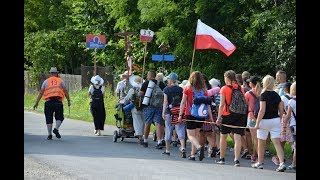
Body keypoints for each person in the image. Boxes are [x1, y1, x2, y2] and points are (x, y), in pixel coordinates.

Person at [251, 75, 286, 172]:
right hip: (275, 120)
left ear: (264, 83)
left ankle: (260, 162)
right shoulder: (277, 95)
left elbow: (262, 110)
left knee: (261, 142)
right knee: (277, 143)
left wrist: (257, 123)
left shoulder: (263, 95)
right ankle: (282, 163)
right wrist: (279, 119)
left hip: (264, 121)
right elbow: (281, 110)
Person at [178, 71, 214, 161]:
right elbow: (208, 105)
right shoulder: (204, 90)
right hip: (201, 115)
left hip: (190, 114)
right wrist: (211, 117)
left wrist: (180, 114)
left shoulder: (188, 88)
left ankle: (198, 147)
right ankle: (192, 155)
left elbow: (183, 102)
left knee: (190, 135)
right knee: (196, 134)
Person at [216, 70, 247, 167]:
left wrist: (219, 117)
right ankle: (236, 160)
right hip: (240, 115)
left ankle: (222, 158)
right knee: (237, 138)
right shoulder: (240, 88)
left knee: (223, 136)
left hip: (227, 114)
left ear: (227, 78)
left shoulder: (224, 89)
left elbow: (221, 105)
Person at [33, 67, 71, 140]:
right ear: (56, 73)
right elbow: (65, 91)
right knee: (60, 117)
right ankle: (56, 129)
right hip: (58, 102)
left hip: (48, 102)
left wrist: (36, 103)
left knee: (49, 118)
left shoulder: (46, 81)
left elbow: (41, 93)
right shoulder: (60, 81)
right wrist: (68, 100)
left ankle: (49, 135)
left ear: (50, 73)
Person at [161, 72, 186, 158]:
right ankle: (183, 147)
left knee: (168, 129)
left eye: (168, 79)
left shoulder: (166, 90)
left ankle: (167, 150)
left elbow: (165, 102)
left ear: (170, 80)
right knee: (180, 128)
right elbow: (183, 101)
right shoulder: (181, 89)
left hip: (169, 111)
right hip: (178, 111)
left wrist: (163, 112)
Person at [139, 70, 166, 148]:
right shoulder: (161, 83)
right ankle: (159, 141)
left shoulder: (146, 83)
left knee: (147, 123)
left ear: (149, 76)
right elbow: (165, 94)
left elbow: (141, 94)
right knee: (158, 124)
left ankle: (145, 141)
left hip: (148, 106)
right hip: (159, 106)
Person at [245, 76, 262, 163]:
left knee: (254, 138)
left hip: (252, 116)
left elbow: (245, 105)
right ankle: (255, 155)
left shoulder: (248, 94)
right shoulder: (262, 92)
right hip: (261, 117)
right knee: (260, 138)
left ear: (251, 84)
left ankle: (259, 157)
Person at [124, 75, 145, 144]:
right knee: (143, 121)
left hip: (135, 107)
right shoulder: (145, 89)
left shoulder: (132, 90)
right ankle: (144, 135)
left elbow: (127, 99)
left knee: (137, 122)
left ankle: (140, 137)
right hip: (144, 107)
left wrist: (125, 103)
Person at [283, 81, 296, 170]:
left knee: (295, 146)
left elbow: (288, 116)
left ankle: (294, 163)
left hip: (294, 125)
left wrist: (284, 126)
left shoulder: (291, 101)